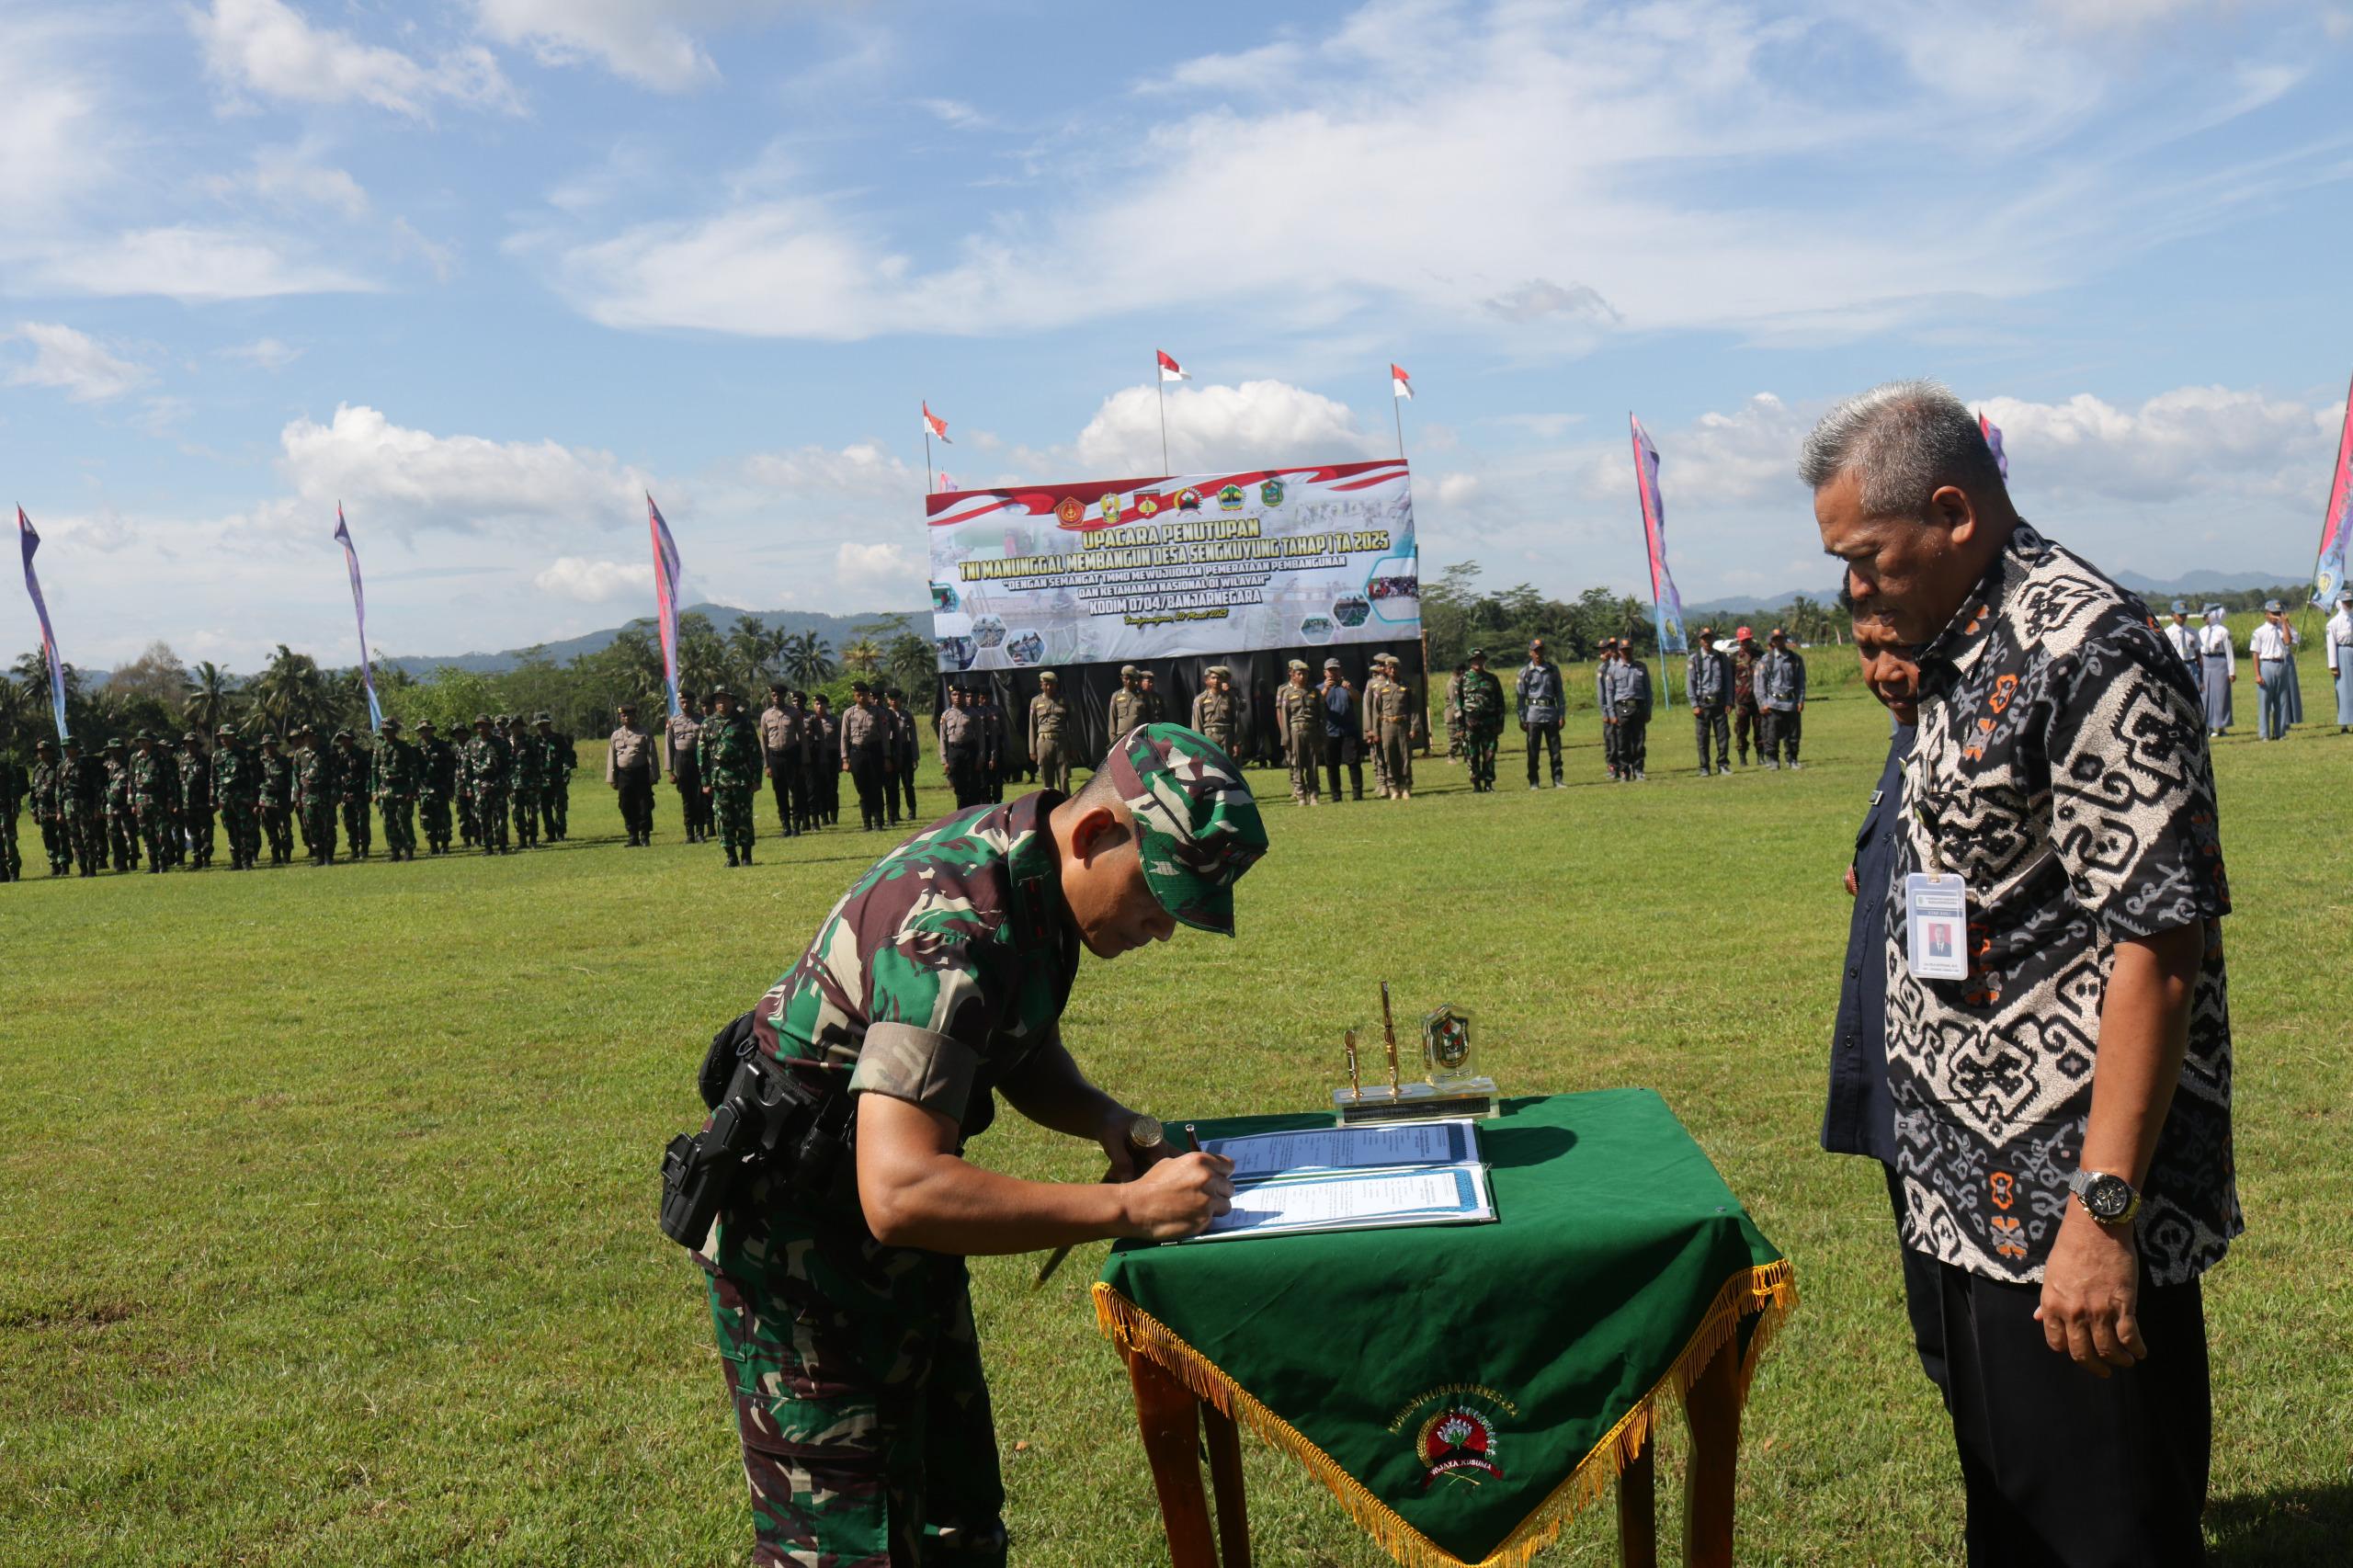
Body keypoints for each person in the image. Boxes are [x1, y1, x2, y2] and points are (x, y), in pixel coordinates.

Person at [1805, 379, 2234, 1568]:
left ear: (1952, 511)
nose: (1856, 588)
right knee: (2017, 1520)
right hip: (1963, 1193)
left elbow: (2159, 943)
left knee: (2110, 1529)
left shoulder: (2088, 650)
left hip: (2066, 1203)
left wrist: (2101, 1215)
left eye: (1868, 556)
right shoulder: (1955, 645)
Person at [691, 722, 1263, 1566]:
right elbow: (904, 1191)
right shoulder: (951, 925)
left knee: (956, 1525)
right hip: (805, 1269)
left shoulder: (1031, 874)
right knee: (853, 1544)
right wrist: (1130, 1208)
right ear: (1097, 834)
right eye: (1158, 894)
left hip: (898, 1259)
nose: (1163, 929)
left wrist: (1115, 1125)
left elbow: (1015, 1045)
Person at [700, 687, 762, 867]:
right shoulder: (708, 724)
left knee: (744, 817)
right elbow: (702, 755)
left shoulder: (743, 722)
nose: (722, 703)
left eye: (725, 699)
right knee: (723, 817)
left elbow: (755, 752)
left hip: (741, 776)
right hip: (719, 779)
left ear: (732, 701)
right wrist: (705, 781)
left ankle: (746, 855)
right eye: (718, 700)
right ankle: (730, 856)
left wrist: (757, 779)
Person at [1516, 638, 1566, 790]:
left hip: (1551, 714)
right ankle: (1534, 782)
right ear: (1531, 652)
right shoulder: (1525, 672)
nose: (1538, 654)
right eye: (1535, 651)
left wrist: (1561, 714)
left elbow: (1560, 694)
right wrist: (1522, 717)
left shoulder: (1553, 670)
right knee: (1533, 751)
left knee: (1555, 751)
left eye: (1540, 650)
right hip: (1533, 715)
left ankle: (1557, 779)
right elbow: (1520, 697)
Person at [608, 700, 662, 846]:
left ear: (635, 716)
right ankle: (632, 835)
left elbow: (652, 755)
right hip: (623, 775)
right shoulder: (616, 735)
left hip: (641, 774)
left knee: (644, 805)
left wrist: (654, 775)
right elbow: (612, 757)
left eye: (629, 715)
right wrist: (612, 778)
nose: (626, 718)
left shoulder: (644, 732)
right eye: (623, 716)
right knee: (626, 805)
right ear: (620, 717)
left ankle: (644, 835)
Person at [841, 682, 892, 832]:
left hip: (874, 752)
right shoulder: (848, 713)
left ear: (868, 695)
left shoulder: (878, 712)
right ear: (854, 696)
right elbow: (844, 737)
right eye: (858, 694)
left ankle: (878, 821)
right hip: (857, 753)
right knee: (862, 789)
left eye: (863, 694)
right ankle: (866, 821)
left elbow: (884, 736)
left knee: (876, 787)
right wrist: (844, 759)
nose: (861, 697)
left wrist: (887, 757)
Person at [2249, 598, 2302, 741]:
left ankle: (2280, 732)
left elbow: (2289, 641)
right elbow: (2255, 653)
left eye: (2279, 613)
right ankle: (2264, 734)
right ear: (2267, 614)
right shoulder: (2259, 631)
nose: (2276, 616)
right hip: (2267, 664)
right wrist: (2257, 674)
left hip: (2282, 664)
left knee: (2282, 701)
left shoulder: (2283, 628)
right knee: (2265, 702)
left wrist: (2285, 622)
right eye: (2273, 613)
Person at [1274, 658, 1324, 804]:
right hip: (1295, 731)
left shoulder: (1315, 692)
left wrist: (1322, 735)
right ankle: (1301, 794)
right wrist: (1285, 737)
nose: (1302, 677)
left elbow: (1322, 715)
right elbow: (1284, 715)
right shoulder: (1287, 693)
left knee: (1313, 764)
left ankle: (1314, 793)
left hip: (1312, 731)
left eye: (1305, 674)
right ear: (1293, 675)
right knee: (1297, 764)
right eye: (1299, 674)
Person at [1755, 629, 1806, 769]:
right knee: (1772, 734)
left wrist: (1801, 700)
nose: (1779, 641)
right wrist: (1762, 703)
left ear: (1785, 640)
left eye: (1781, 638)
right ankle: (1773, 760)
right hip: (1773, 703)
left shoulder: (1795, 659)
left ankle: (1792, 759)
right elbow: (1760, 684)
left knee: (1793, 735)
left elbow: (1801, 682)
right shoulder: (1766, 660)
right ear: (1772, 642)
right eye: (1776, 639)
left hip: (1791, 702)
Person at [372, 717, 419, 862]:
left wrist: (412, 790)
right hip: (386, 791)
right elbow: (374, 771)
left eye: (389, 730)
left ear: (395, 731)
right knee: (389, 822)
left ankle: (409, 849)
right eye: (384, 730)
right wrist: (374, 791)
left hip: (403, 789)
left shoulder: (404, 748)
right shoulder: (379, 749)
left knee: (404, 820)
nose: (387, 733)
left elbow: (413, 771)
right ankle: (394, 850)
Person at [212, 725, 259, 871]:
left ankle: (247, 860)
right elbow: (213, 779)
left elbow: (253, 778)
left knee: (246, 829)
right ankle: (236, 861)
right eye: (221, 736)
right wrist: (213, 798)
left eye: (227, 736)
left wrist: (253, 798)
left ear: (234, 736)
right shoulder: (217, 755)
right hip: (225, 797)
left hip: (242, 797)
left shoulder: (245, 754)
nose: (224, 739)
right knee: (231, 829)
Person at [1370, 653, 1415, 801]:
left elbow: (1414, 709)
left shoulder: (1406, 687)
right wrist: (1375, 732)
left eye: (1395, 668)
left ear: (1399, 669)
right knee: (1390, 757)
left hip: (1402, 725)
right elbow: (1376, 711)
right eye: (1390, 668)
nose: (1393, 671)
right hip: (1387, 726)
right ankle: (1393, 787)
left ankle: (1405, 786)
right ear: (1386, 670)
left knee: (1405, 758)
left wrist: (1414, 728)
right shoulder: (1381, 688)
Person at [1458, 649, 1504, 793]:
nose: (1477, 662)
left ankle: (1489, 783)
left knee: (1489, 754)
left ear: (1484, 661)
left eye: (1480, 659)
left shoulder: (1492, 679)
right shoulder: (1464, 680)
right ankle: (1476, 784)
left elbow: (1500, 703)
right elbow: (1458, 704)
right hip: (1471, 723)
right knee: (1472, 754)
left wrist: (1500, 723)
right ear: (1470, 662)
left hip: (1489, 723)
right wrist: (1460, 727)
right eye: (1475, 659)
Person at [1317, 658, 1364, 801]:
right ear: (1325, 673)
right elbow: (1316, 703)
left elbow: (1357, 699)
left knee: (1353, 763)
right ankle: (1336, 795)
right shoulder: (1319, 688)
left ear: (1340, 671)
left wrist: (1350, 689)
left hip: (1349, 730)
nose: (1333, 673)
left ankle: (1357, 794)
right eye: (1330, 670)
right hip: (1330, 732)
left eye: (1335, 670)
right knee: (1332, 765)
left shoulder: (1347, 685)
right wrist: (1326, 689)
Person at [464, 713, 511, 856]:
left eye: (484, 725)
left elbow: (508, 765)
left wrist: (507, 783)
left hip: (498, 782)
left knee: (500, 816)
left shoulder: (500, 743)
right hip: (479, 784)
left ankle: (502, 845)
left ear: (490, 727)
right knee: (483, 817)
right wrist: (468, 788)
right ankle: (488, 847)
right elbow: (467, 767)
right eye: (478, 725)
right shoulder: (470, 744)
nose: (481, 728)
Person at [758, 685, 801, 839]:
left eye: (779, 695)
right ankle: (786, 826)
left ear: (784, 696)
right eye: (774, 695)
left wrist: (804, 759)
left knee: (796, 792)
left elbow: (801, 736)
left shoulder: (794, 713)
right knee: (780, 793)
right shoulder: (766, 716)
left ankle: (796, 825)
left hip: (792, 756)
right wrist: (766, 764)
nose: (776, 697)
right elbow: (763, 740)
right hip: (775, 757)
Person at [1688, 627, 1731, 777]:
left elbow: (1728, 681)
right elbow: (1690, 684)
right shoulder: (1694, 659)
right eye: (1704, 638)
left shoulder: (1721, 658)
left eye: (1709, 638)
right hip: (1703, 703)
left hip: (1719, 702)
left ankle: (1723, 764)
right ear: (1700, 641)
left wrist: (1729, 701)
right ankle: (1704, 767)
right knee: (1703, 737)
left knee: (1723, 736)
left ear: (1713, 639)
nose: (1707, 641)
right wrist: (1694, 704)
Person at [669, 692, 709, 844]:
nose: (685, 705)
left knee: (699, 797)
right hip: (681, 760)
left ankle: (700, 832)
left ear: (694, 702)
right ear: (679, 703)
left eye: (688, 702)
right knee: (686, 798)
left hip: (698, 759)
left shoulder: (702, 720)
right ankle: (689, 833)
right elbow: (669, 746)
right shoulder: (673, 722)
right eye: (682, 702)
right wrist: (669, 771)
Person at [295, 725, 337, 866]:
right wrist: (296, 797)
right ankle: (319, 856)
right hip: (308, 796)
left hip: (325, 794)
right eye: (306, 735)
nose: (309, 738)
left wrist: (335, 794)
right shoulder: (299, 754)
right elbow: (295, 777)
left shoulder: (328, 752)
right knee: (312, 827)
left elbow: (335, 775)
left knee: (328, 827)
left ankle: (329, 857)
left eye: (311, 735)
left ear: (317, 736)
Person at [1610, 642, 1654, 781]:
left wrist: (1648, 710)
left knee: (1639, 742)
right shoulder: (1613, 669)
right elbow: (1609, 693)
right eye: (1623, 650)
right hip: (1621, 708)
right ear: (1619, 651)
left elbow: (1648, 691)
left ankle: (1639, 770)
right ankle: (1624, 771)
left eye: (1628, 649)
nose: (1626, 652)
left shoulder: (1641, 667)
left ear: (1632, 650)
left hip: (1638, 707)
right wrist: (1611, 714)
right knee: (1623, 742)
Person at [63, 737, 105, 876]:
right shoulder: (62, 766)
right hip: (69, 805)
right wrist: (59, 810)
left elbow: (96, 787)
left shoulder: (86, 764)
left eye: (69, 747)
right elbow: (59, 789)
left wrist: (98, 807)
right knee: (74, 838)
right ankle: (82, 868)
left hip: (85, 804)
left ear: (76, 748)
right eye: (65, 748)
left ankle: (92, 867)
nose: (67, 750)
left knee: (88, 836)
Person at [415, 720, 458, 856]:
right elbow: (414, 771)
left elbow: (451, 768)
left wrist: (450, 788)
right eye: (422, 730)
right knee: (426, 818)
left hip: (440, 787)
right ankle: (433, 846)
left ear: (432, 731)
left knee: (443, 817)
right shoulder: (416, 748)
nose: (425, 733)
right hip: (424, 789)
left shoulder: (442, 746)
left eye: (427, 730)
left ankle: (445, 845)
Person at [29, 737, 68, 877]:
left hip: (56, 808)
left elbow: (63, 788)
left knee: (62, 837)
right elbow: (33, 791)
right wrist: (33, 811)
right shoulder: (37, 769)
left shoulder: (59, 766)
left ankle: (64, 863)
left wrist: (61, 809)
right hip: (43, 810)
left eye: (43, 751)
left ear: (50, 752)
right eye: (39, 752)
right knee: (48, 838)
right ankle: (54, 863)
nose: (41, 754)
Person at [1029, 672, 1072, 793]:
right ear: (1041, 685)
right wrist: (1032, 750)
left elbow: (1072, 725)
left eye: (1051, 685)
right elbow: (1032, 726)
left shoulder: (1064, 700)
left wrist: (1073, 746)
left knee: (1063, 777)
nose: (1049, 687)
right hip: (1043, 742)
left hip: (1061, 742)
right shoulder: (1035, 701)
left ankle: (1066, 805)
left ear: (1056, 685)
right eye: (1046, 684)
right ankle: (1049, 805)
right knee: (1047, 778)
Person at [178, 732, 215, 869]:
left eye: (192, 743)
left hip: (202, 802)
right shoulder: (182, 761)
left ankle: (206, 859)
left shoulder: (205, 761)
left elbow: (212, 781)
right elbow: (179, 784)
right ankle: (196, 859)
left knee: (206, 832)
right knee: (193, 833)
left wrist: (212, 800)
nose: (189, 746)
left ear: (197, 745)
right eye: (187, 744)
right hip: (187, 804)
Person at [2195, 606, 2234, 735]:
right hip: (2206, 662)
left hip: (2220, 662)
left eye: (2206, 616)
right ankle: (2209, 727)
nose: (2204, 618)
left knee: (2221, 696)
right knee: (2206, 696)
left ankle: (2222, 727)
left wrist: (2231, 671)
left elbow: (2229, 652)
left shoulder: (2223, 631)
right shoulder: (2202, 631)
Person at [257, 733, 295, 866]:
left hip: (282, 802)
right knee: (270, 832)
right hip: (266, 802)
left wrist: (292, 800)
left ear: (276, 746)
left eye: (271, 745)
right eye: (266, 746)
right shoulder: (261, 762)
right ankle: (275, 857)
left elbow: (291, 783)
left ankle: (287, 856)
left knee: (286, 831)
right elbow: (256, 782)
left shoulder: (284, 762)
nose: (268, 748)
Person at [1730, 627, 1766, 767]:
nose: (1746, 643)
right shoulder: (1733, 658)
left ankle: (1761, 757)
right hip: (1741, 700)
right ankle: (1742, 757)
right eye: (1743, 641)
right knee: (1740, 731)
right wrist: (1730, 700)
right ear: (1739, 642)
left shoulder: (1760, 656)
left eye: (1748, 640)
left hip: (1758, 700)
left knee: (1761, 729)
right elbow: (1729, 680)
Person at [508, 713, 544, 850]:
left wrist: (539, 781)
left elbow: (538, 762)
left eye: (517, 726)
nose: (515, 729)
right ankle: (521, 840)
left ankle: (533, 840)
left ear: (521, 727)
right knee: (517, 813)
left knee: (532, 812)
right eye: (512, 726)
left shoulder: (531, 741)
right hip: (514, 784)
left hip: (530, 783)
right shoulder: (507, 743)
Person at [938, 686, 979, 807]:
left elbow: (980, 736)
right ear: (950, 697)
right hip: (954, 751)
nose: (957, 697)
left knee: (971, 781)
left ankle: (972, 807)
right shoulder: (946, 715)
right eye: (954, 695)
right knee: (957, 781)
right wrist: (944, 759)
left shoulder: (972, 713)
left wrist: (981, 755)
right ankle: (961, 808)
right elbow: (943, 738)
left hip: (969, 749)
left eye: (960, 695)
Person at [888, 688, 921, 825]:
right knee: (893, 785)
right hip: (892, 751)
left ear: (900, 699)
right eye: (891, 699)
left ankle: (911, 810)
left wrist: (915, 756)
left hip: (906, 751)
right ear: (888, 700)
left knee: (908, 784)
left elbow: (913, 737)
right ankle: (894, 813)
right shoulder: (885, 715)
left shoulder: (907, 715)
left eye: (896, 698)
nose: (894, 701)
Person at [1191, 665, 1239, 760]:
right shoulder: (1200, 699)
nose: (1216, 681)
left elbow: (1236, 721)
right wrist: (1199, 744)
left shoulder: (1230, 698)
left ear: (1222, 680)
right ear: (1207, 680)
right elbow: (1197, 723)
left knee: (1228, 768)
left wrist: (1237, 742)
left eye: (1219, 678)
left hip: (1227, 738)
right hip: (1209, 738)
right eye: (1213, 678)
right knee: (1212, 768)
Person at [2160, 601, 2203, 705]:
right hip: (2177, 666)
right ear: (2173, 615)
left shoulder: (2193, 632)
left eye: (2185, 614)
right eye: (2180, 615)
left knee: (2195, 696)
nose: (2183, 617)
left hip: (2192, 665)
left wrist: (2201, 675)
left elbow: (2198, 654)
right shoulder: (2168, 632)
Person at [541, 715, 576, 841]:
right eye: (539, 726)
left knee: (560, 806)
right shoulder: (535, 741)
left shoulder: (558, 739)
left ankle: (561, 832)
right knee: (545, 807)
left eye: (544, 725)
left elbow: (568, 756)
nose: (542, 728)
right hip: (542, 778)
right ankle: (550, 833)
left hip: (557, 777)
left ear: (549, 724)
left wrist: (566, 773)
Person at [2328, 587, 2353, 733]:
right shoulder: (2334, 622)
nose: (2349, 604)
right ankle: (2344, 723)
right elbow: (2331, 644)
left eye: (2350, 601)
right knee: (2343, 689)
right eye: (2346, 602)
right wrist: (2333, 665)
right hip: (2342, 652)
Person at [1108, 664, 1147, 739]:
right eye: (1125, 679)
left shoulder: (1143, 696)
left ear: (1135, 679)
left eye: (1130, 679)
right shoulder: (1116, 696)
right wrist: (1113, 742)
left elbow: (1150, 718)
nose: (1128, 682)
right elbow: (1112, 721)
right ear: (1122, 678)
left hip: (1139, 737)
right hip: (1122, 738)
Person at [1443, 662, 1467, 761]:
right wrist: (1459, 716)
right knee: (1454, 738)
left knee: (1465, 737)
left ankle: (1467, 756)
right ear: (1461, 671)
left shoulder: (1458, 681)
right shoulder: (1453, 684)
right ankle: (1451, 755)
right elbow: (1455, 701)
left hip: (1459, 713)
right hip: (1453, 715)